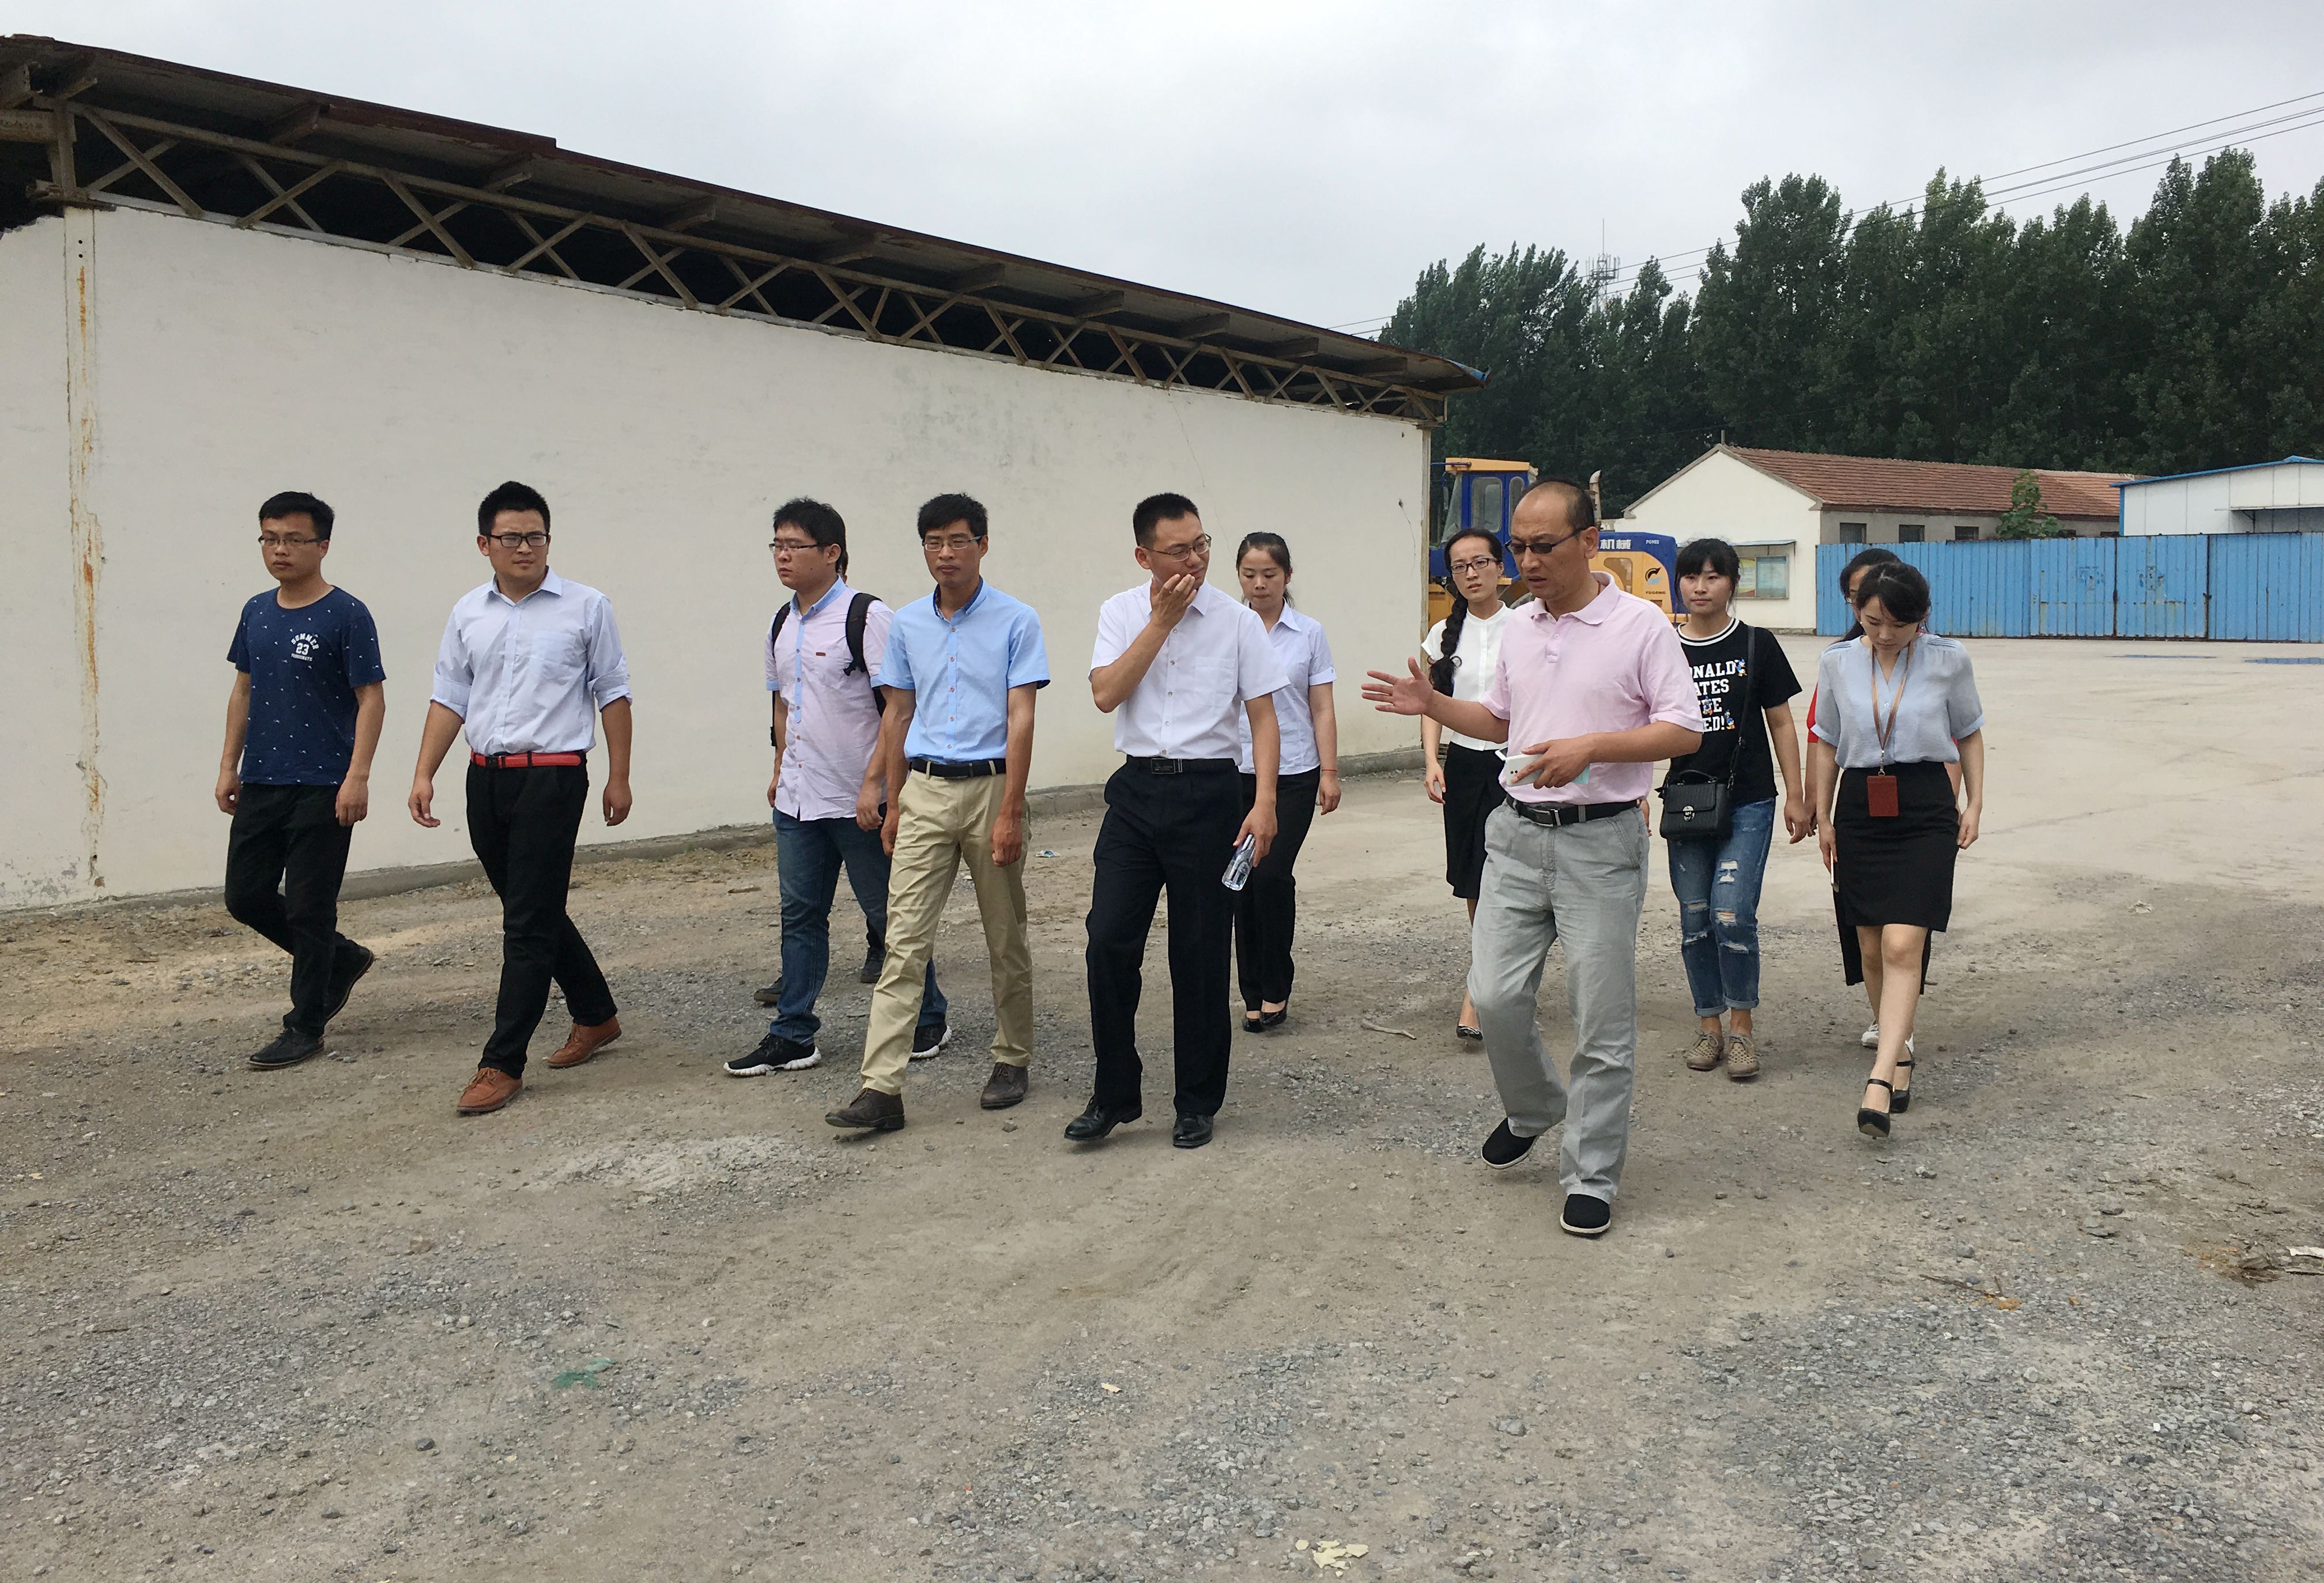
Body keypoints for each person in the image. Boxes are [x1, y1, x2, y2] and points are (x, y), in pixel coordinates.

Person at [1364, 478, 1703, 1238]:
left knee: (1600, 1016)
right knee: (1494, 996)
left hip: (1600, 842)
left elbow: (1684, 730)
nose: (1527, 561)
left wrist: (1594, 748)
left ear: (1590, 541)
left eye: (1543, 546)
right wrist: (1434, 705)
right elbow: (1499, 718)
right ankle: (1536, 1104)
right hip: (1514, 835)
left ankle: (1591, 1173)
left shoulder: (1640, 626)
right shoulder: (1519, 624)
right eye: (1519, 546)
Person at [825, 493, 1051, 1131]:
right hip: (923, 789)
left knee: (1004, 934)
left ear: (983, 544)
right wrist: (894, 800)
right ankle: (881, 1088)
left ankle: (1012, 1056)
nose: (945, 553)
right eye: (933, 542)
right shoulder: (906, 625)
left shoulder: (1017, 620)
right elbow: (897, 713)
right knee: (903, 941)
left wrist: (1011, 809)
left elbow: (1022, 716)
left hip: (991, 787)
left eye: (957, 540)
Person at [1069, 493, 1287, 1151]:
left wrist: (1265, 802)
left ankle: (1196, 1099)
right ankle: (1114, 1092)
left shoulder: (1237, 621)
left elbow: (1263, 718)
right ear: (1145, 556)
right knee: (1108, 940)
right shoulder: (1121, 612)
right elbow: (1106, 692)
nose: (1195, 559)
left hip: (1210, 795)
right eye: (1178, 550)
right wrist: (1160, 623)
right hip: (1136, 792)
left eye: (1201, 545)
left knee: (1199, 952)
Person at [408, 481, 633, 1117]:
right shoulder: (468, 612)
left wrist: (619, 776)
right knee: (530, 905)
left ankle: (502, 1061)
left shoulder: (586, 606)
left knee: (526, 924)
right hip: (486, 777)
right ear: (485, 544)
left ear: (549, 540)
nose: (525, 547)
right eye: (511, 537)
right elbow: (450, 696)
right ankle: (596, 1013)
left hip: (553, 777)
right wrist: (424, 772)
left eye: (536, 536)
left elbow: (613, 692)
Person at [727, 499, 948, 1078]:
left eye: (794, 546)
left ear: (832, 553)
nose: (782, 556)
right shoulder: (781, 623)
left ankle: (929, 1013)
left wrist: (880, 785)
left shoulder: (867, 617)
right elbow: (783, 703)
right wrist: (780, 767)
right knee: (800, 914)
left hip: (859, 800)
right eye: (776, 545)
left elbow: (900, 706)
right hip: (798, 799)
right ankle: (793, 1033)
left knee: (889, 913)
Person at [1807, 561, 1985, 1140]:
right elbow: (1827, 740)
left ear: (1921, 617)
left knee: (1904, 941)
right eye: (1872, 621)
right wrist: (1824, 815)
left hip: (1926, 803)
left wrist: (1975, 803)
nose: (1884, 635)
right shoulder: (1837, 662)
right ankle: (1899, 1048)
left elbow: (1970, 731)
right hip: (1861, 805)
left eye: (1898, 625)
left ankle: (1880, 1077)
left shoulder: (1949, 659)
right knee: (1869, 943)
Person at [215, 490, 386, 1070]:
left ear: (323, 545)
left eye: (293, 539)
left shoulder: (347, 614)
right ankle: (341, 959)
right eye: (270, 538)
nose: (279, 549)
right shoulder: (256, 611)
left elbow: (371, 698)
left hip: (324, 782)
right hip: (263, 778)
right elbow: (243, 689)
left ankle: (305, 1025)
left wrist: (357, 776)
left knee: (311, 908)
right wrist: (229, 765)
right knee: (245, 896)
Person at [1659, 537, 1808, 1082]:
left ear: (1732, 584)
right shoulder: (1662, 646)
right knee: (1695, 918)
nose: (1700, 587)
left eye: (1713, 576)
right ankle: (1709, 1025)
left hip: (1748, 800)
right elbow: (1637, 722)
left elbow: (1782, 722)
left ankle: (1741, 1029)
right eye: (1691, 576)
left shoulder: (1755, 643)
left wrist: (1797, 794)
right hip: (1686, 803)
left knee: (1732, 912)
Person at [1231, 532, 1340, 1034]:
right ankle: (1251, 992)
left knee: (1271, 875)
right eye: (1249, 574)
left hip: (1295, 772)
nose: (1259, 584)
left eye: (1269, 574)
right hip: (1235, 772)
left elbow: (1321, 706)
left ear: (1287, 576)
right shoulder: (1227, 628)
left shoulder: (1309, 633)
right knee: (1240, 882)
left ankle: (1277, 983)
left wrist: (1330, 772)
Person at [1420, 525, 1513, 1041]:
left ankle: (1481, 991)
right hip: (1464, 766)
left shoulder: (1525, 626)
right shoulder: (1442, 634)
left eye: (1481, 563)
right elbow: (1432, 703)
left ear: (1501, 567)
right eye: (1460, 566)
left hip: (1514, 766)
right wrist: (1431, 760)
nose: (1471, 574)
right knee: (1474, 879)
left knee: (1507, 877)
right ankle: (1488, 979)